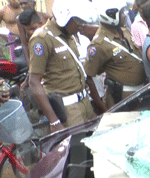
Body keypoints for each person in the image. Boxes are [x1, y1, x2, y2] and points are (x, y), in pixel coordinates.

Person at [28, 0, 101, 133]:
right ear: (64, 17)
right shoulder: (42, 39)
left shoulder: (70, 36)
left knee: (90, 149)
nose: (80, 26)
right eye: (77, 21)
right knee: (78, 152)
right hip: (68, 110)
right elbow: (34, 81)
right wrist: (54, 121)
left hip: (85, 103)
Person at [85, 0, 146, 109]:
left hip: (141, 92)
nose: (124, 15)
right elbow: (89, 77)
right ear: (111, 15)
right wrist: (101, 105)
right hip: (123, 99)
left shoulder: (124, 31)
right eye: (122, 13)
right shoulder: (99, 44)